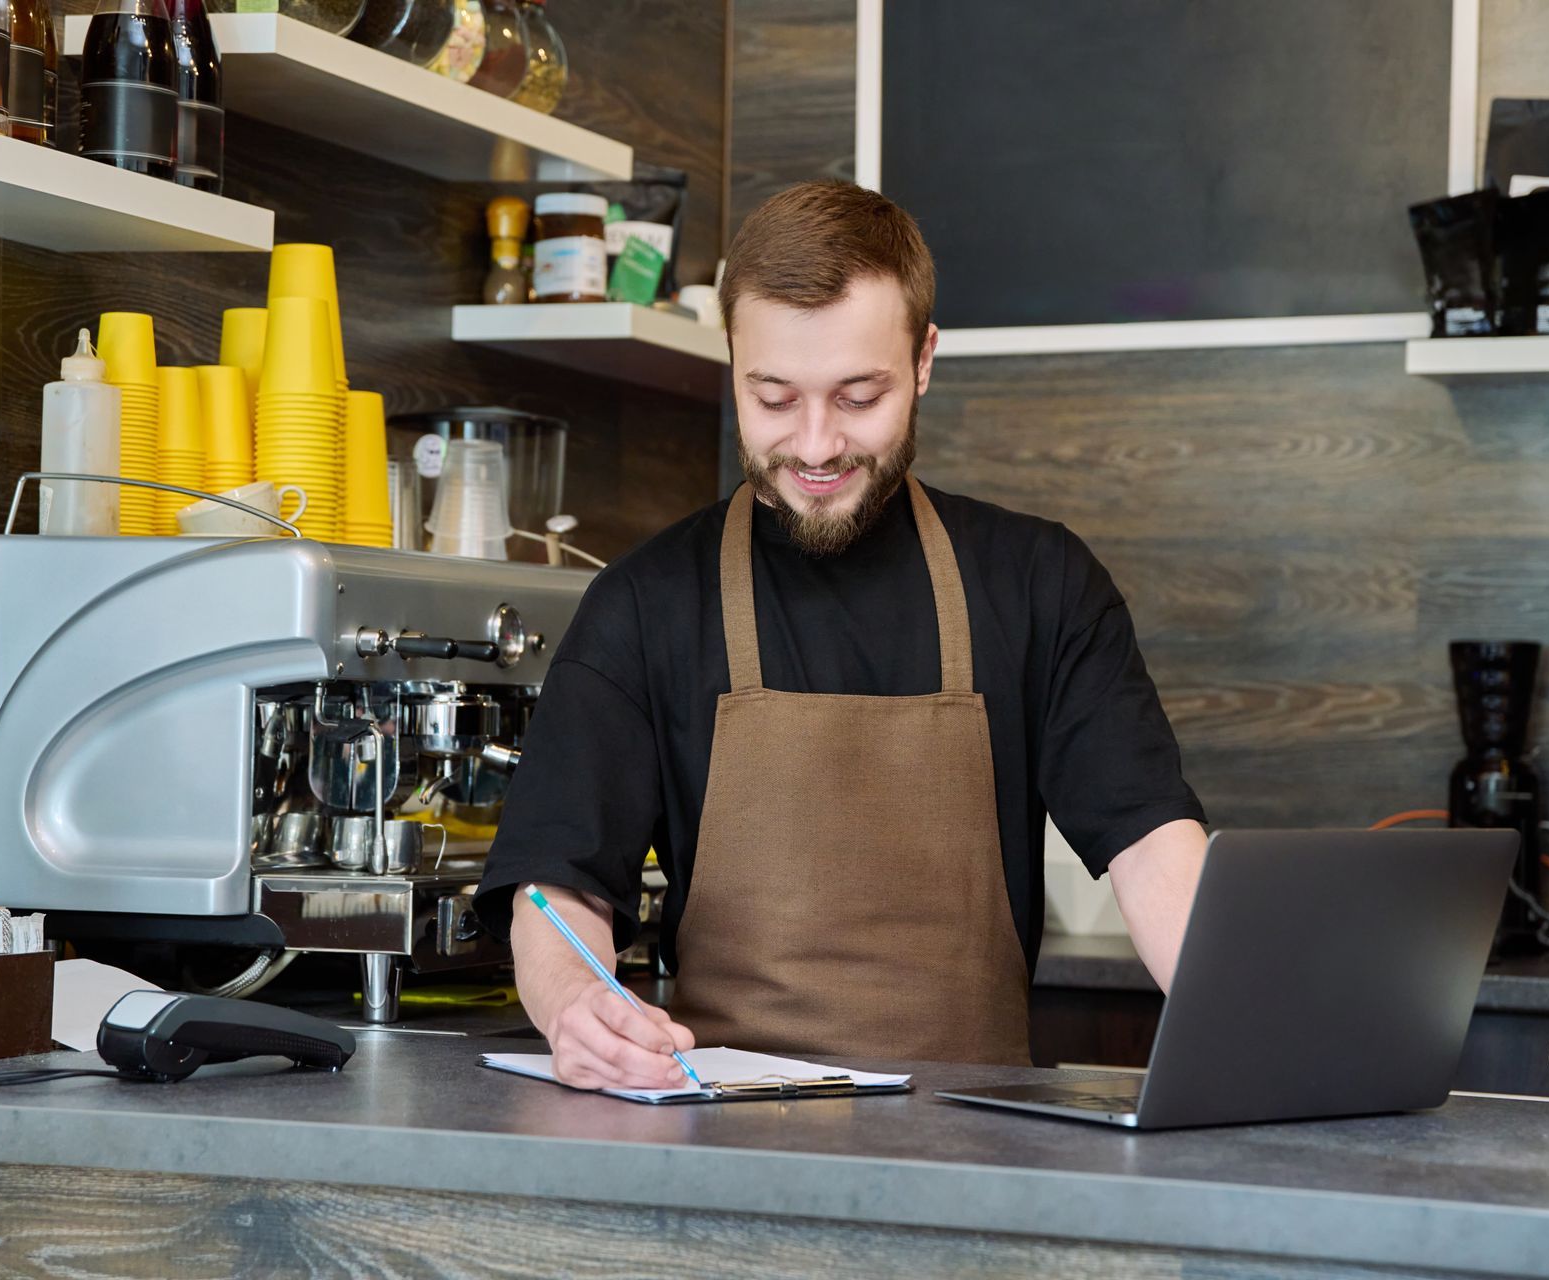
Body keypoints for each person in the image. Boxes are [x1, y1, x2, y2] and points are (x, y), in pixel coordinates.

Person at [475, 181, 1206, 1089]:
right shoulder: (644, 602)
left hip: (977, 1146)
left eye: (859, 396)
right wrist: (574, 1007)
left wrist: (1263, 1035)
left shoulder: (1040, 583)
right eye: (774, 398)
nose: (815, 446)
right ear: (733, 361)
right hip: (722, 1137)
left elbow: (1151, 848)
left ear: (925, 360)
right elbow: (559, 881)